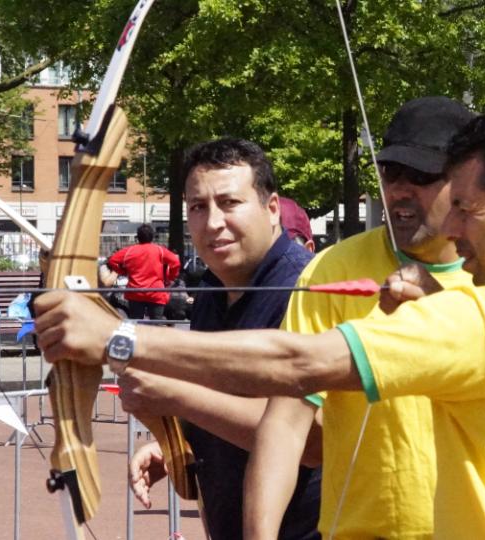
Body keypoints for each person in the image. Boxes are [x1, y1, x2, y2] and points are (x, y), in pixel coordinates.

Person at [34, 104, 485, 538]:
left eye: (466, 208)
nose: (452, 225)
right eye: (391, 174)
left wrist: (116, 338)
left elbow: (297, 362)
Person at [246, 96, 474, 539]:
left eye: (421, 176)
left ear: (467, 182)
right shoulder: (333, 268)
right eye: (390, 172)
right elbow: (285, 421)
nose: (400, 190)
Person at [120, 138, 321, 540]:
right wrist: (175, 445)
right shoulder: (213, 291)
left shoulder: (308, 289)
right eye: (198, 207)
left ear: (272, 208)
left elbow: (313, 440)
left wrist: (175, 396)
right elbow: (224, 402)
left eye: (229, 203)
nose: (212, 222)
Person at [105, 223, 180, 320]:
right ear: (152, 237)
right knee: (156, 323)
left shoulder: (129, 251)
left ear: (138, 237)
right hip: (156, 292)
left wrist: (123, 271)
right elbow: (176, 262)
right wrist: (170, 278)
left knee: (136, 323)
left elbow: (112, 260)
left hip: (135, 292)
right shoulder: (160, 250)